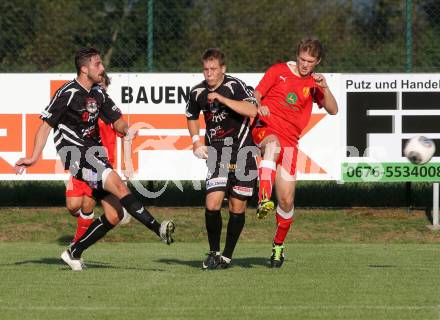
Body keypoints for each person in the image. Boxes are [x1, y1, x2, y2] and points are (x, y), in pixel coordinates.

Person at [15, 47, 175, 271]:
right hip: (75, 154)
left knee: (114, 214)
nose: (102, 68)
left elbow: (117, 120)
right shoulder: (67, 93)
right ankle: (157, 228)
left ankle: (73, 252)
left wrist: (126, 129)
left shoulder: (98, 93)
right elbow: (44, 127)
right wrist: (33, 157)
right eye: (97, 64)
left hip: (94, 154)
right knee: (117, 183)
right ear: (84, 68)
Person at [252, 37, 338, 268]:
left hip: (291, 143)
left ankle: (278, 247)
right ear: (296, 55)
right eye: (301, 59)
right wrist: (258, 105)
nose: (304, 64)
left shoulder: (314, 82)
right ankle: (262, 198)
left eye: (310, 61)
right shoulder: (278, 71)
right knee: (272, 146)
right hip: (266, 129)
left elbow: (333, 109)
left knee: (287, 201)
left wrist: (325, 86)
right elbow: (256, 93)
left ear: (317, 61)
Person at [186, 48, 258, 270]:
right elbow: (191, 116)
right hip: (218, 152)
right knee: (212, 203)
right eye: (206, 69)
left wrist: (222, 99)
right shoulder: (197, 92)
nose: (209, 73)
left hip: (244, 150)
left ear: (223, 69)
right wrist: (197, 141)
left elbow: (252, 110)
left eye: (213, 69)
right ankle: (214, 252)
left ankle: (227, 255)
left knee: (237, 207)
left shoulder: (234, 85)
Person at [65, 72, 130, 244]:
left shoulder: (109, 113)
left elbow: (123, 129)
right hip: (80, 163)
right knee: (72, 206)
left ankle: (76, 246)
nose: (98, 90)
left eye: (102, 87)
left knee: (87, 204)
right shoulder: (84, 112)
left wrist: (126, 165)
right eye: (96, 86)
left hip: (100, 167)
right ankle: (85, 225)